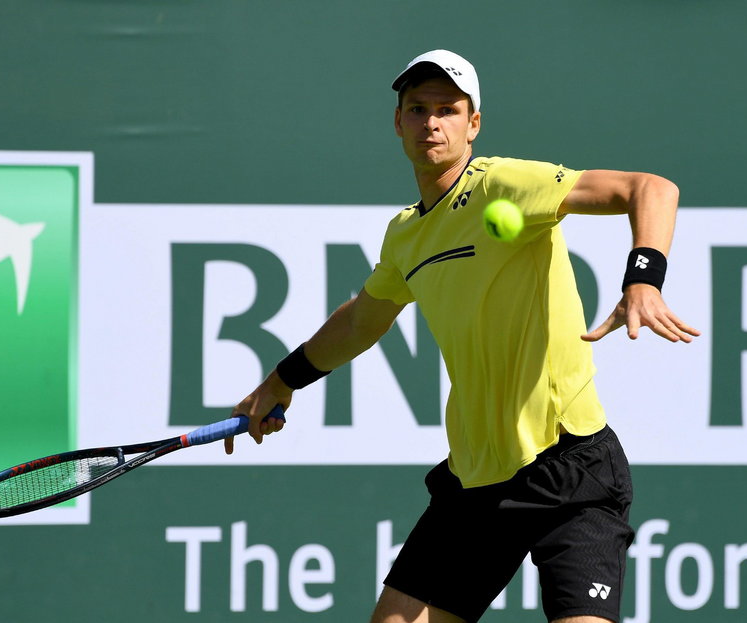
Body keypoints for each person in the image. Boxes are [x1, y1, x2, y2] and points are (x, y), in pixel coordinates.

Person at [228, 50, 700, 623]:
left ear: (473, 123)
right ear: (398, 122)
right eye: (418, 109)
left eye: (448, 110)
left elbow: (650, 188)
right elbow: (359, 322)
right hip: (474, 480)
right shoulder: (404, 235)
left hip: (570, 467)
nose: (432, 122)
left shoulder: (504, 185)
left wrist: (643, 281)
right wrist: (281, 381)